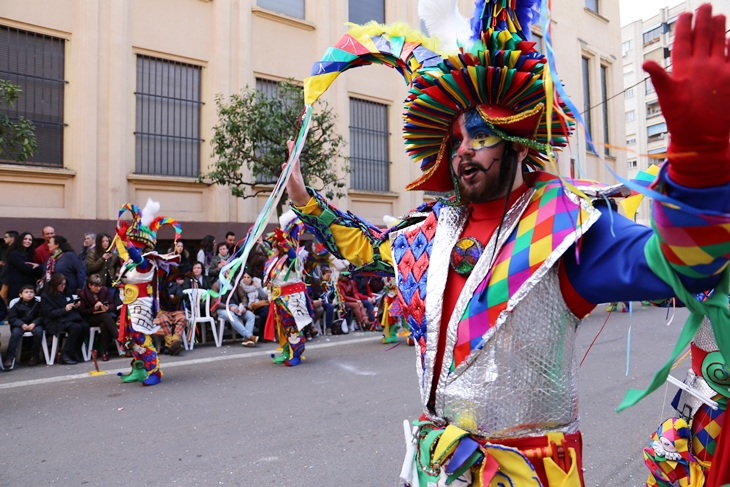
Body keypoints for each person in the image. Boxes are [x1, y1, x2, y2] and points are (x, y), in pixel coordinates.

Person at [286, 3, 730, 485]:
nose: (463, 150)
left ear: (518, 143)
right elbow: (370, 251)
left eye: (479, 135)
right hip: (438, 469)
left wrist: (701, 168)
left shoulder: (565, 228)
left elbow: (683, 267)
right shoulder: (431, 233)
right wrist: (307, 204)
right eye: (456, 139)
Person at [114, 199, 181, 386]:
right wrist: (120, 238)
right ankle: (139, 368)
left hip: (141, 305)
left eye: (134, 244)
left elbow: (135, 257)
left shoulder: (146, 261)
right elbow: (126, 258)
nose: (131, 248)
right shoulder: (128, 261)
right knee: (131, 338)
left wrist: (125, 240)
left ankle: (154, 371)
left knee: (142, 338)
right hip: (128, 304)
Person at [263, 223, 312, 366]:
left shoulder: (293, 259)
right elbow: (268, 255)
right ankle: (287, 352)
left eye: (275, 246)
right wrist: (262, 244)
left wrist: (284, 242)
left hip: (292, 299)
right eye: (273, 246)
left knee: (292, 327)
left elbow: (291, 255)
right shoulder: (275, 261)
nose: (273, 249)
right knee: (284, 328)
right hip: (279, 299)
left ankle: (296, 354)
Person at [40, 272, 88, 365]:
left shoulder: (66, 292)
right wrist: (64, 310)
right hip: (54, 321)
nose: (63, 286)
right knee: (76, 327)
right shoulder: (46, 296)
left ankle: (74, 352)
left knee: (85, 326)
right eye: (61, 284)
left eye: (64, 284)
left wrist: (75, 305)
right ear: (55, 284)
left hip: (67, 318)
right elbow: (49, 313)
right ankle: (65, 354)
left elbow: (69, 303)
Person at [213, 270, 258, 347]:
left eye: (230, 272)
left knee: (250, 315)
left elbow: (243, 297)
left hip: (235, 307)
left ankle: (246, 340)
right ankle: (249, 336)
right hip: (221, 309)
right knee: (231, 316)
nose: (228, 274)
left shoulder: (234, 283)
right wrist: (230, 307)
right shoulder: (216, 285)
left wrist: (243, 306)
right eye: (226, 272)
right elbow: (216, 302)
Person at [79, 273, 117, 362]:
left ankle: (105, 352)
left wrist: (107, 308)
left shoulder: (105, 290)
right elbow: (82, 311)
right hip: (90, 317)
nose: (98, 288)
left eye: (100, 286)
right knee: (105, 317)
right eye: (96, 286)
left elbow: (112, 305)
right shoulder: (83, 294)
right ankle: (118, 336)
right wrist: (93, 309)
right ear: (90, 285)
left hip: (104, 317)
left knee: (104, 324)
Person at [3, 285, 43, 369]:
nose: (29, 294)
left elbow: (42, 316)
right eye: (26, 292)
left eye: (31, 292)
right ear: (20, 295)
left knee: (39, 332)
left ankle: (34, 355)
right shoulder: (16, 305)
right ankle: (9, 357)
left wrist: (34, 323)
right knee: (15, 334)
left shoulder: (38, 304)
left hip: (34, 324)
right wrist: (21, 324)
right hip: (20, 325)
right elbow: (12, 318)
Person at [4, 232, 40, 301]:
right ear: (20, 240)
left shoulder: (29, 255)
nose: (28, 241)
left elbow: (35, 268)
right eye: (25, 239)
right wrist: (34, 267)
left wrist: (37, 266)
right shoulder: (14, 254)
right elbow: (26, 268)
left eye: (30, 240)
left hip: (29, 287)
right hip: (17, 287)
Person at [239, 270, 270, 342]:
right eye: (244, 277)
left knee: (265, 312)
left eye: (248, 277)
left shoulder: (257, 283)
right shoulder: (241, 286)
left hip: (258, 305)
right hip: (248, 307)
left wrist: (259, 288)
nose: (246, 279)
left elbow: (264, 297)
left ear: (252, 278)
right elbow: (242, 298)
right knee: (265, 310)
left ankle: (262, 334)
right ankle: (261, 335)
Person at [0, 230, 18, 303]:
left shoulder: (13, 251)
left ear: (12, 238)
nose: (4, 239)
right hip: (9, 279)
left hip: (9, 279)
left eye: (6, 237)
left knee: (2, 298)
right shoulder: (10, 249)